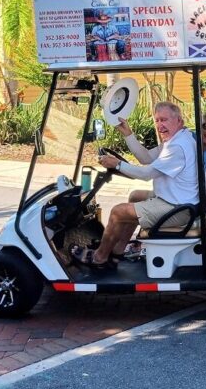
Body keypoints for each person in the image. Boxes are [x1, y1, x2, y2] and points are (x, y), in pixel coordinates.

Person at [71, 101, 197, 269]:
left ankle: (100, 257)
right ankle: (117, 251)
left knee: (118, 212)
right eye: (157, 120)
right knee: (135, 196)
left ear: (179, 121)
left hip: (179, 209)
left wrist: (117, 164)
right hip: (178, 200)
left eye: (164, 120)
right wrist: (128, 133)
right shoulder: (177, 139)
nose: (160, 125)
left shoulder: (177, 147)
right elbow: (146, 158)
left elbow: (146, 174)